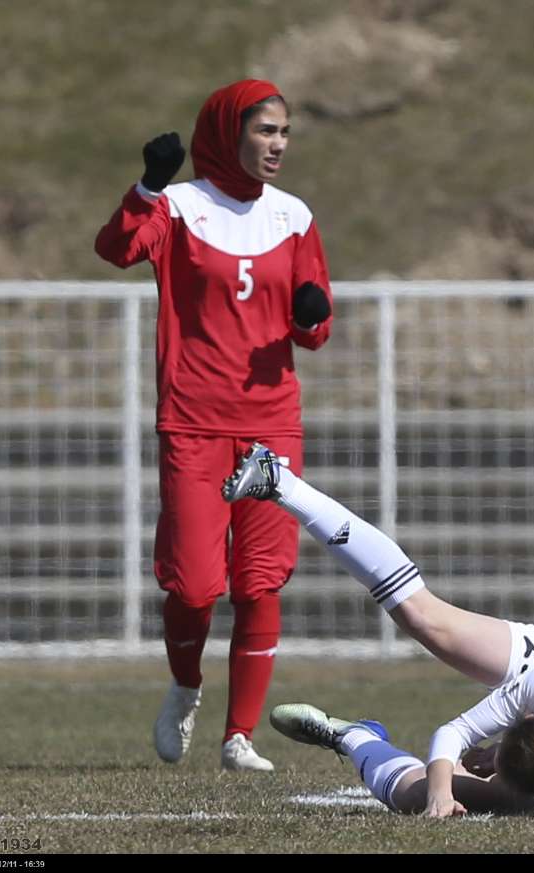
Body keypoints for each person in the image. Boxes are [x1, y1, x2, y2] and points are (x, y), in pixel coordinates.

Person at [94, 79, 334, 772]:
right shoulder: (180, 206)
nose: (278, 144)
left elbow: (313, 330)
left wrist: (313, 311)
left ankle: (240, 736)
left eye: (285, 132)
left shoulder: (294, 216)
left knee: (260, 580)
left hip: (270, 423)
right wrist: (145, 186)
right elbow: (115, 248)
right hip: (194, 421)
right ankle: (185, 686)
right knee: (195, 585)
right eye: (265, 131)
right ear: (229, 135)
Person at [223, 444, 534, 816]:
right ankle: (280, 480)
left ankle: (355, 736)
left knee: (419, 795)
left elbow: (498, 767)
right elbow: (451, 734)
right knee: (427, 620)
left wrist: (438, 795)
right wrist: (447, 788)